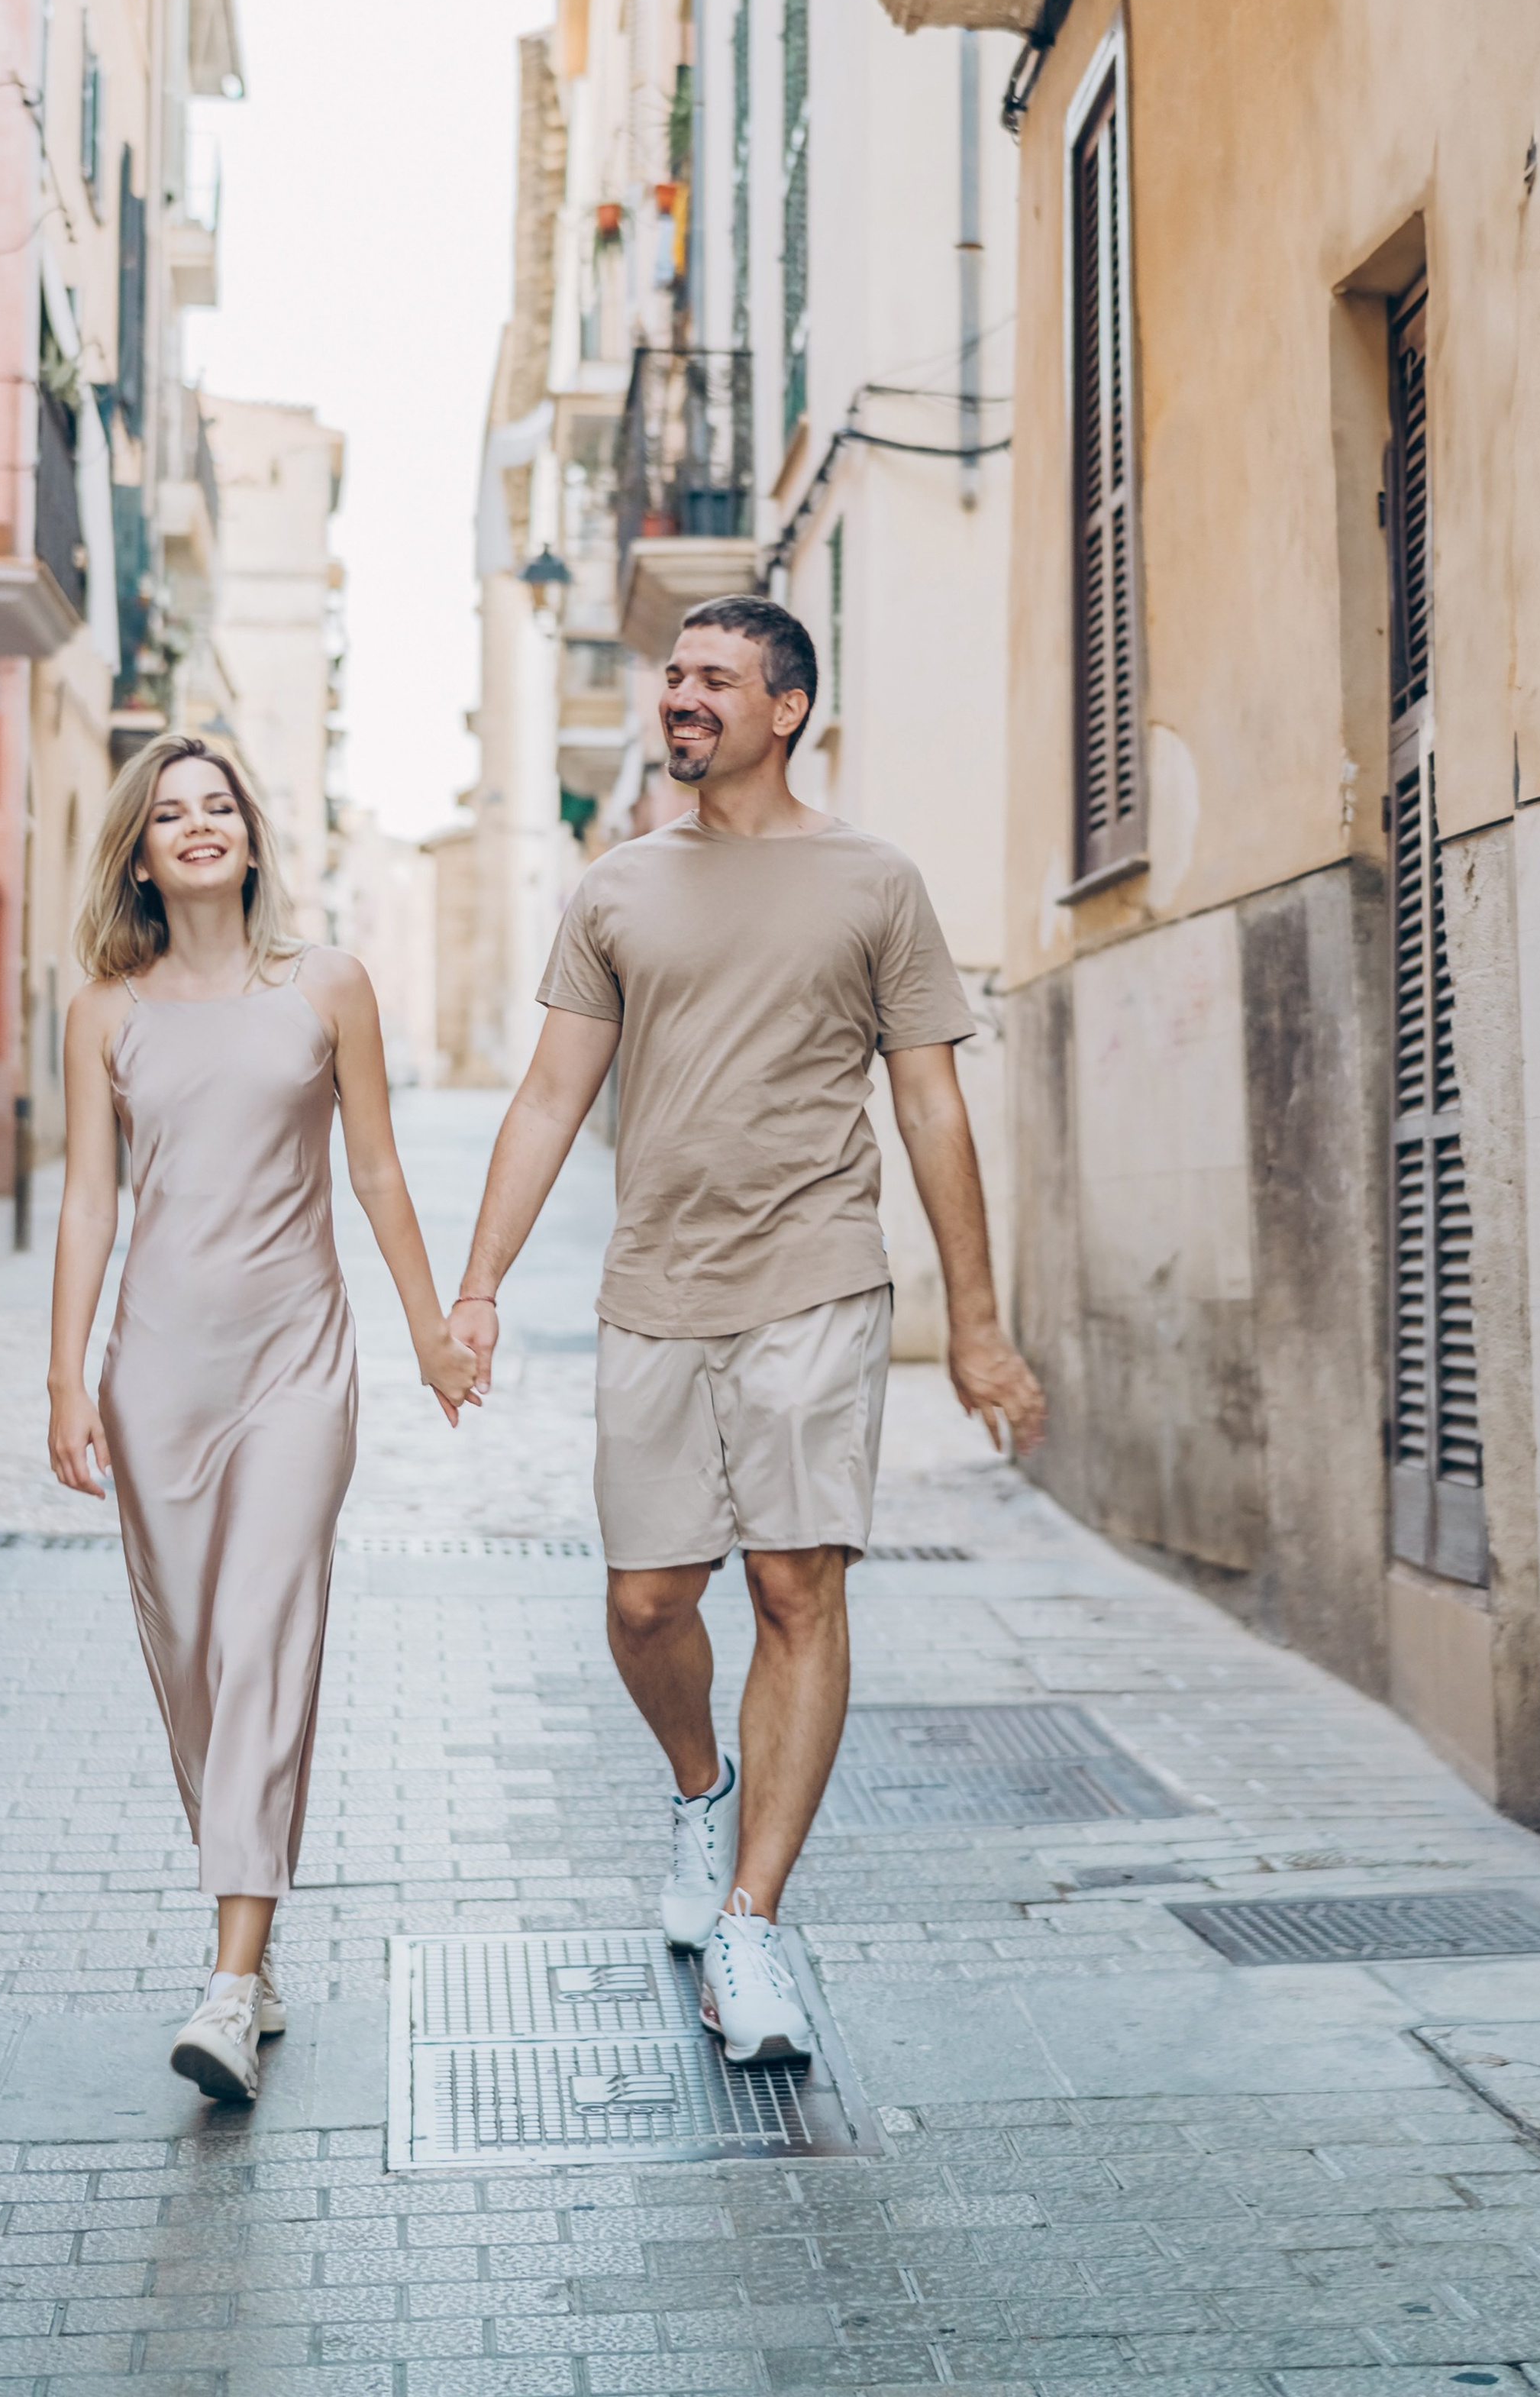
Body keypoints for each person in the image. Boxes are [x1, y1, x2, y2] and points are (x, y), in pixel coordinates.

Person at [449, 596, 1044, 2065]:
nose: (681, 697)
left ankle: (754, 1927)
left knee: (795, 1585)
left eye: (714, 678)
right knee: (649, 1604)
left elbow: (928, 1104)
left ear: (788, 711)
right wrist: (478, 1287)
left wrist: (976, 1325)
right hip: (654, 1287)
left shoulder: (874, 882)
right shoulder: (617, 890)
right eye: (673, 677)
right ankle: (699, 1788)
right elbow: (545, 1100)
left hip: (818, 1276)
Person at [46, 733, 477, 2104]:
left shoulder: (328, 987)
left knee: (260, 1641)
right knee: (190, 1664)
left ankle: (231, 1984)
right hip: (156, 1374)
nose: (198, 826)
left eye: (218, 804)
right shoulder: (106, 1012)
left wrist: (429, 1329)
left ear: (251, 832)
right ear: (141, 851)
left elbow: (379, 1171)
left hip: (298, 1365)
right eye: (170, 813)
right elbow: (89, 1205)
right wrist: (67, 1377)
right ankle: (255, 1925)